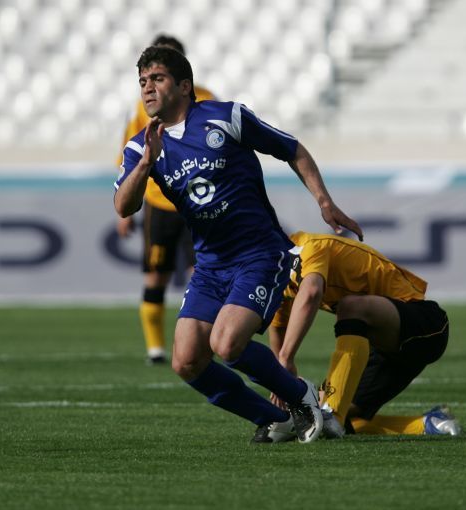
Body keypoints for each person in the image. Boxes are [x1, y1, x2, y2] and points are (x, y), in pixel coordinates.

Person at [114, 46, 362, 443]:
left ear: (184, 86)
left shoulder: (225, 117)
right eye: (142, 81)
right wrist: (146, 163)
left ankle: (301, 396)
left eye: (157, 79)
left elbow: (291, 149)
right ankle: (275, 419)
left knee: (226, 344)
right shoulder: (140, 147)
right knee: (186, 361)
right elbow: (124, 206)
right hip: (211, 265)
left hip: (259, 254)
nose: (147, 88)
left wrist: (324, 201)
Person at [265, 231, 460, 441]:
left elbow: (312, 292)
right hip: (381, 352)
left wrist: (286, 358)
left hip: (425, 325)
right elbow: (278, 326)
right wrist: (281, 378)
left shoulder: (309, 246)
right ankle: (428, 423)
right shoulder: (276, 273)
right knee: (321, 416)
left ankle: (333, 412)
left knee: (351, 306)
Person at [116, 34, 217, 366]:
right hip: (159, 203)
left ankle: (206, 341)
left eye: (163, 71)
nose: (153, 83)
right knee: (155, 275)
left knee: (202, 272)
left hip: (196, 204)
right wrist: (123, 211)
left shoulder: (206, 99)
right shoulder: (141, 108)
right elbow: (128, 153)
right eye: (149, 76)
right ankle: (155, 349)